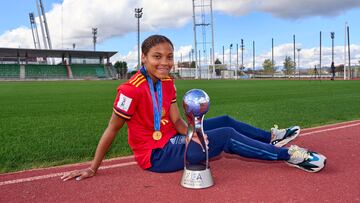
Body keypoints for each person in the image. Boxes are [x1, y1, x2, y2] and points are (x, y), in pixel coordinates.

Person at [61, 35, 326, 181]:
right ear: (144, 58)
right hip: (157, 155)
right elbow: (111, 129)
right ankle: (290, 157)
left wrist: (192, 133)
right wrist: (93, 168)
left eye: (169, 57)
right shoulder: (130, 89)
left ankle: (271, 138)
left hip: (174, 139)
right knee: (226, 136)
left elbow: (176, 120)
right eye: (157, 57)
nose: (165, 62)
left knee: (225, 120)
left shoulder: (167, 82)